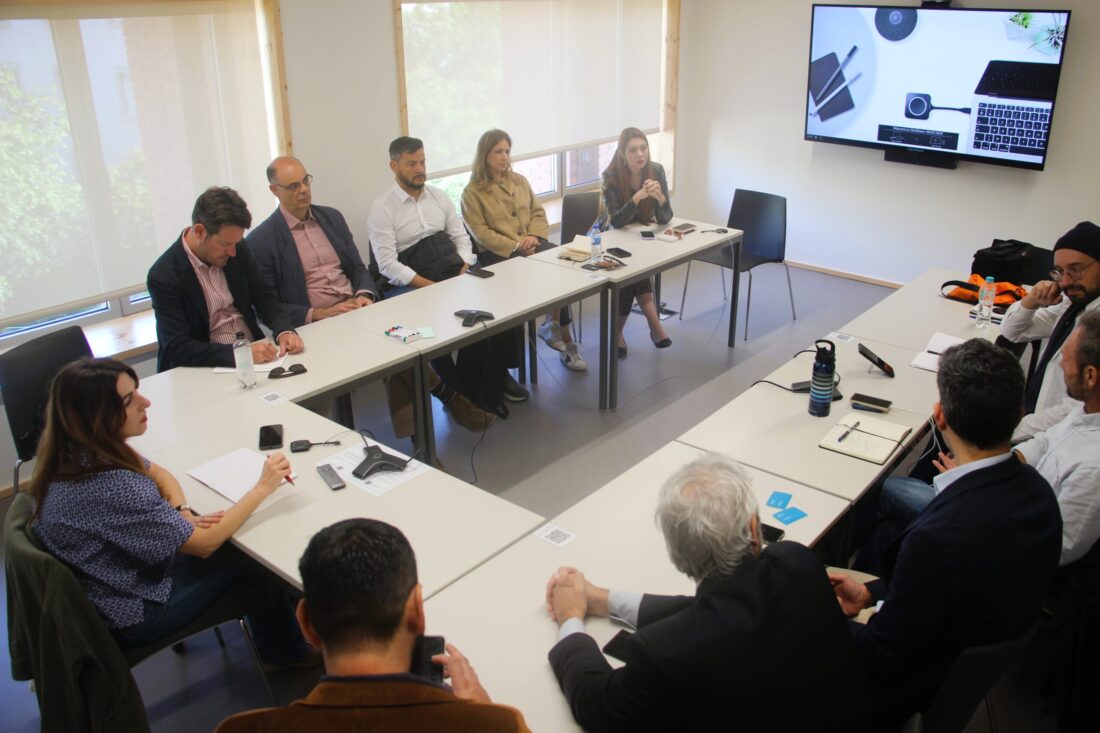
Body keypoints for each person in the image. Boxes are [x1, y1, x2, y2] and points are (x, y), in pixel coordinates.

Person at [544, 453, 869, 732]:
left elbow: (596, 704)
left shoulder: (662, 654)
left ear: (676, 551)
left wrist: (570, 619)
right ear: (754, 529)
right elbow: (722, 610)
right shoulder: (796, 562)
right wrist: (603, 599)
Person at [829, 339, 1062, 728]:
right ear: (1019, 414)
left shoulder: (939, 539)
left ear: (939, 416)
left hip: (899, 690)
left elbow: (877, 656)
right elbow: (957, 583)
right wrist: (872, 592)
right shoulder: (1040, 496)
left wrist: (813, 614)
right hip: (957, 664)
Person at [29, 357, 314, 670]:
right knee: (251, 555)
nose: (145, 402)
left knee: (237, 538)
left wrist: (182, 512)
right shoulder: (108, 485)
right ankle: (285, 653)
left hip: (128, 581)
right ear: (98, 416)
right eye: (129, 400)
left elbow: (160, 474)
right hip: (138, 610)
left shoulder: (84, 451)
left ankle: (286, 625)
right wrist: (262, 488)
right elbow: (204, 545)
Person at [215, 518, 531, 732]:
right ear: (417, 612)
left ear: (306, 623)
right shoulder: (498, 725)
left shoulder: (240, 729)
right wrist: (481, 711)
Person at [860, 311, 1100, 571]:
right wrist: (985, 468)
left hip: (998, 532)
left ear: (1090, 376)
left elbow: (1056, 549)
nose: (1061, 365)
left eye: (1066, 359)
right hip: (1005, 496)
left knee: (887, 489)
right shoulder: (1086, 410)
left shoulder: (1093, 467)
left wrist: (975, 481)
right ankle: (870, 578)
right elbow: (1043, 441)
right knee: (890, 530)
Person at [369, 136, 525, 416]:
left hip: (451, 270)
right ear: (394, 166)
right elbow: (387, 264)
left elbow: (461, 238)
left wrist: (464, 267)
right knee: (432, 327)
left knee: (498, 306)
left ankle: (493, 378)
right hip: (413, 281)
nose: (420, 169)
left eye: (423, 162)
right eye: (412, 164)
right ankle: (457, 394)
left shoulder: (438, 197)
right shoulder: (382, 208)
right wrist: (429, 286)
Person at [461, 129, 587, 372]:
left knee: (563, 264)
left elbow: (538, 212)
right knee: (541, 274)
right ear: (484, 154)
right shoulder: (472, 192)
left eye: (507, 151)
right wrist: (517, 245)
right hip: (499, 254)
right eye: (498, 151)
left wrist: (533, 237)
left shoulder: (519, 181)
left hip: (533, 244)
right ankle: (562, 337)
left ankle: (552, 324)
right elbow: (481, 233)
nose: (504, 157)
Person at [147, 186, 304, 372]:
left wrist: (284, 330)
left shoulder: (236, 247)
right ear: (199, 232)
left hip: (258, 357)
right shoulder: (164, 275)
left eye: (236, 243)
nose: (233, 252)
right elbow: (178, 346)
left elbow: (263, 296)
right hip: (207, 367)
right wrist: (241, 353)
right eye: (225, 244)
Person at [247, 156, 377, 327]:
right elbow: (268, 306)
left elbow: (357, 268)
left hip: (355, 308)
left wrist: (364, 294)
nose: (304, 189)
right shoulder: (261, 240)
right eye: (294, 186)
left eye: (305, 181)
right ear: (275, 190)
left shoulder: (332, 218)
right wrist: (318, 314)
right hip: (316, 323)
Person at [1001, 221, 1100, 419]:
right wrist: (1031, 301)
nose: (1065, 281)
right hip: (1036, 418)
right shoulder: (1074, 304)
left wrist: (1014, 431)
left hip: (1058, 429)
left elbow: (1078, 407)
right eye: (1059, 272)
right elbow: (1012, 332)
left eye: (1076, 270)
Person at [600, 127, 672, 358]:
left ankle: (617, 334)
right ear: (623, 154)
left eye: (643, 148)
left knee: (632, 276)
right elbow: (616, 221)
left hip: (639, 235)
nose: (640, 154)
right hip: (609, 238)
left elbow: (666, 217)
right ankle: (655, 326)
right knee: (635, 271)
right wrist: (637, 198)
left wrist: (660, 198)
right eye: (633, 150)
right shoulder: (610, 176)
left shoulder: (656, 170)